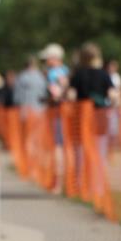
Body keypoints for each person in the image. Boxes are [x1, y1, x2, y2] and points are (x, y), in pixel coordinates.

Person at [70, 42, 114, 199]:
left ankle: (81, 186)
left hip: (82, 119)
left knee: (81, 153)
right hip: (100, 117)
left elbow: (71, 96)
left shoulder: (78, 75)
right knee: (99, 153)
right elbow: (113, 95)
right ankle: (98, 188)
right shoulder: (104, 74)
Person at [40, 43, 69, 193]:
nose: (45, 62)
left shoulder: (53, 73)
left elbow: (57, 94)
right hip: (68, 112)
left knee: (58, 146)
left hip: (58, 112)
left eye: (47, 59)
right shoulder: (66, 71)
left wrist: (49, 99)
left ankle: (59, 183)